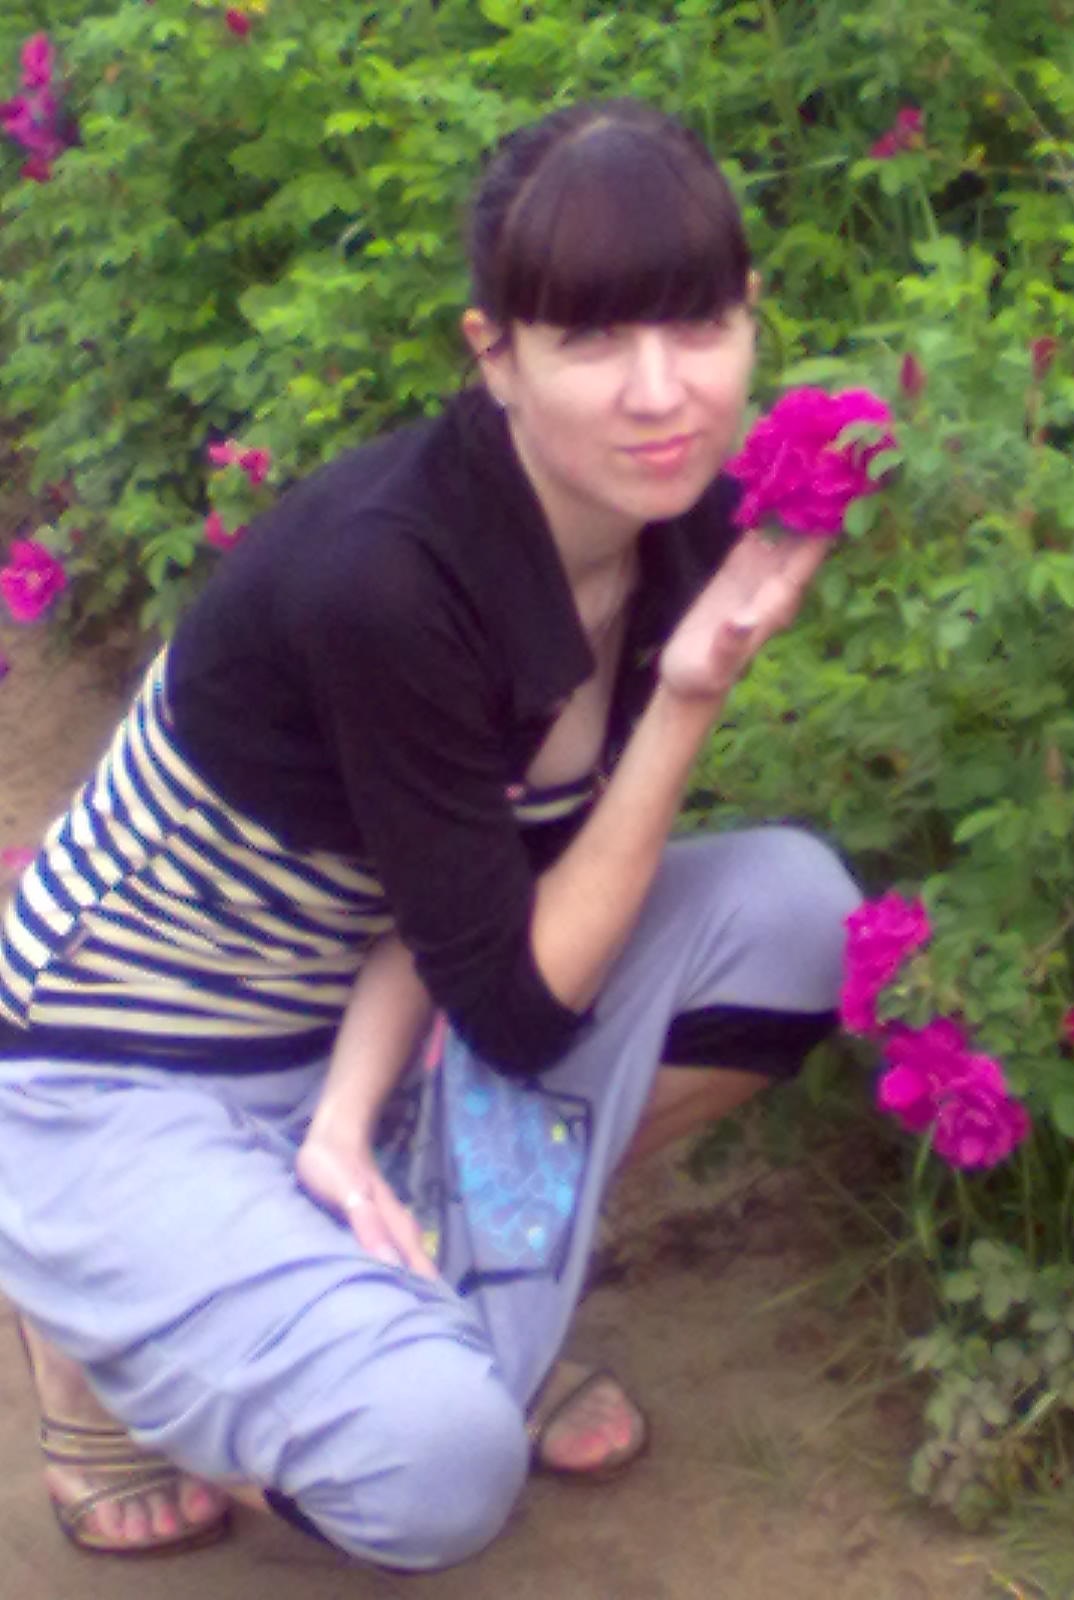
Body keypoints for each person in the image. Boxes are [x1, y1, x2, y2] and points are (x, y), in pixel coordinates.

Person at [0, 97, 861, 1568]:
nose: (661, 391)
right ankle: (100, 1314)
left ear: (750, 316)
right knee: (438, 1468)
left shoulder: (684, 516)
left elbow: (472, 909)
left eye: (699, 324)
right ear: (495, 353)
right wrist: (686, 699)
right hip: (124, 1072)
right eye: (592, 338)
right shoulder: (387, 580)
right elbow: (518, 1005)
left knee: (800, 919)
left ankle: (379, 1299)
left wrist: (346, 1111)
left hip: (364, 1028)